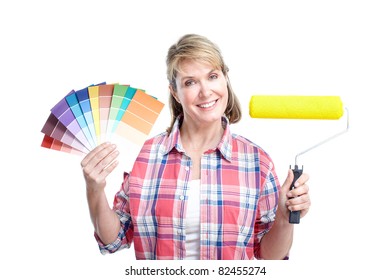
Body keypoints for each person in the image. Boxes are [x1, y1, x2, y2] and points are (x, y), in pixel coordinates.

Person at [81, 34, 311, 260]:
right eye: (190, 82)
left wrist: (283, 218)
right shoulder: (150, 155)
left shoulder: (256, 161)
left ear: (225, 78)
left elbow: (270, 258)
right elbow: (115, 239)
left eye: (212, 76)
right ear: (175, 92)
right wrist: (94, 189)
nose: (205, 91)